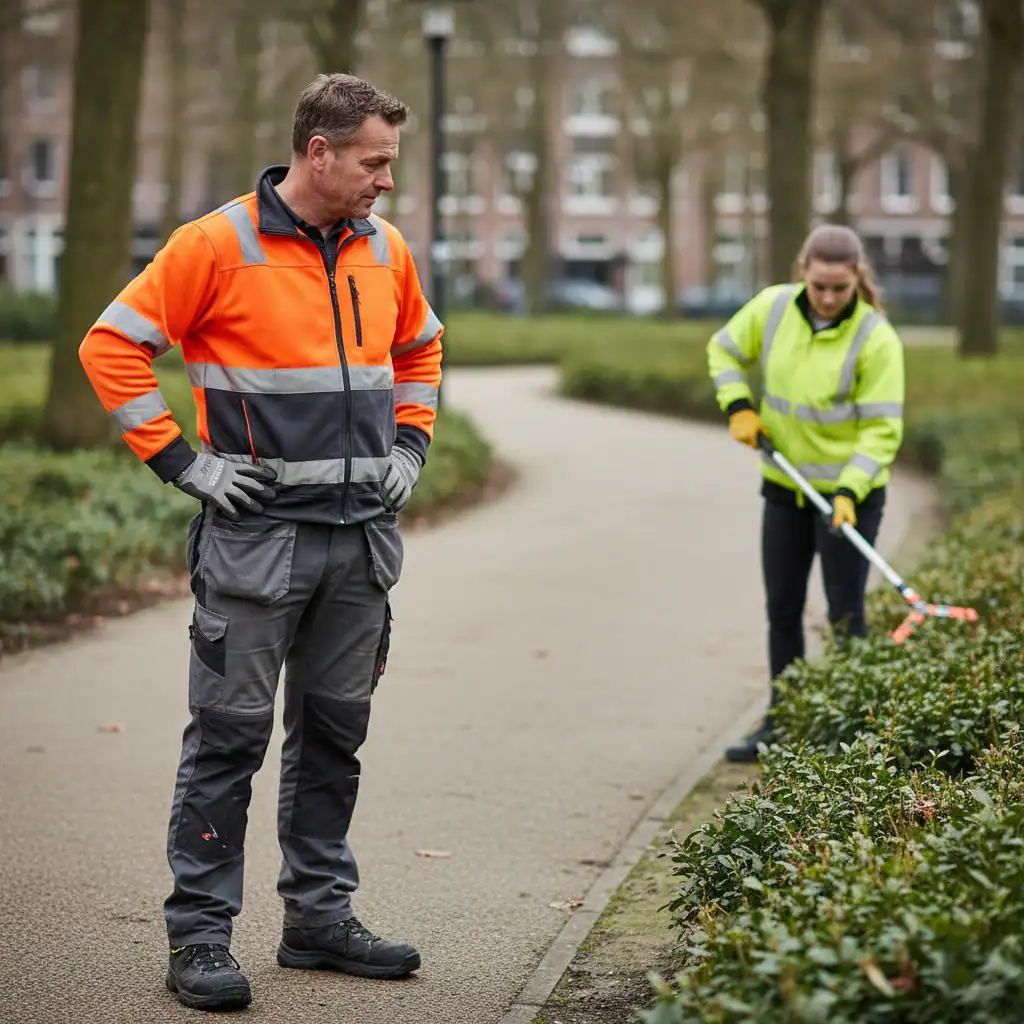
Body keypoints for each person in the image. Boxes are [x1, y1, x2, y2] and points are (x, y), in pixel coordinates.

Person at [78, 73, 442, 1010]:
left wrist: (412, 441)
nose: (386, 182)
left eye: (389, 163)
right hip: (257, 545)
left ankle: (318, 918)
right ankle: (199, 938)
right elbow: (111, 346)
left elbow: (421, 349)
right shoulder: (215, 245)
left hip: (360, 548)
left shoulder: (384, 249)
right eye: (374, 162)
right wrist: (181, 464)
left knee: (335, 735)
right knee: (229, 740)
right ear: (317, 153)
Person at [707, 223, 905, 763]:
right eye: (819, 286)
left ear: (856, 280)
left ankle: (852, 733)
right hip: (785, 488)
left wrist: (850, 489)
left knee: (845, 613)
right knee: (784, 609)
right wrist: (738, 406)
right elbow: (723, 351)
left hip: (849, 499)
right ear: (803, 271)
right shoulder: (771, 309)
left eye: (840, 288)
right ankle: (783, 722)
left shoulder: (875, 338)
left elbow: (882, 430)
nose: (828, 297)